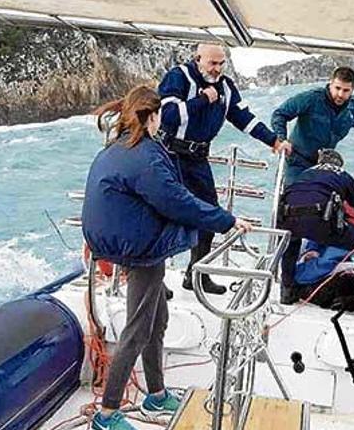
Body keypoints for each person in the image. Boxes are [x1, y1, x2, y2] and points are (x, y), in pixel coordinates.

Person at [81, 85, 253, 430]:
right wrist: (227, 220)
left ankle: (156, 394)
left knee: (157, 321)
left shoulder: (116, 147)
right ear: (152, 116)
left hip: (123, 243)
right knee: (138, 330)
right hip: (141, 250)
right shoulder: (144, 154)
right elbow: (177, 201)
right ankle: (107, 414)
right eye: (160, 116)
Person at [158, 44, 291, 294]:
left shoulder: (227, 87)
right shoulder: (179, 76)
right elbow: (168, 115)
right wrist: (201, 100)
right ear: (198, 59)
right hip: (169, 154)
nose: (217, 69)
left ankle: (197, 275)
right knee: (164, 214)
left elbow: (244, 118)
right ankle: (155, 280)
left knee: (209, 214)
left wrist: (273, 141)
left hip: (197, 159)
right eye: (212, 63)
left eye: (221, 64)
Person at [278, 148, 354, 304]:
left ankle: (287, 290)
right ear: (339, 164)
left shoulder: (304, 174)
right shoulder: (342, 174)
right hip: (321, 218)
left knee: (291, 243)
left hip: (287, 216)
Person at [271, 66, 354, 184]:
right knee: (293, 198)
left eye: (346, 90)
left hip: (324, 166)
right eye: (337, 88)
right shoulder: (310, 99)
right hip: (295, 162)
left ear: (352, 89)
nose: (340, 94)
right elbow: (279, 114)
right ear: (330, 84)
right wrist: (281, 139)